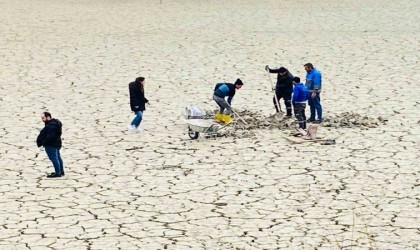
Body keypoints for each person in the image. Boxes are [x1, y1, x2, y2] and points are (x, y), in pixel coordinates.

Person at [36, 112, 64, 178]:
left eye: (43, 118)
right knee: (58, 157)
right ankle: (61, 171)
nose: (42, 119)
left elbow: (50, 136)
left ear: (48, 117)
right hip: (57, 143)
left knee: (54, 158)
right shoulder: (55, 123)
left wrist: (44, 142)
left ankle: (58, 173)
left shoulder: (51, 126)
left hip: (51, 144)